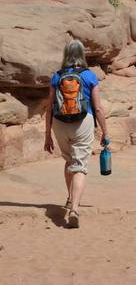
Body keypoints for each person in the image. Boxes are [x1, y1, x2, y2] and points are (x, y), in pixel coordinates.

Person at [44, 39, 110, 228]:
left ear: (65, 55)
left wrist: (47, 134)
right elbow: (98, 108)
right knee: (79, 165)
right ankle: (74, 208)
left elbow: (49, 108)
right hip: (83, 122)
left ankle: (69, 198)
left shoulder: (57, 77)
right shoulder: (89, 76)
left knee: (69, 161)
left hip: (59, 123)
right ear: (82, 54)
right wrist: (105, 132)